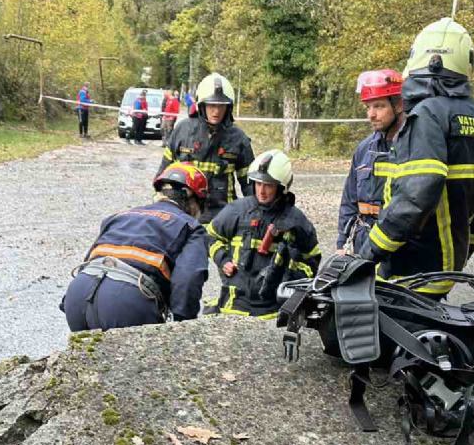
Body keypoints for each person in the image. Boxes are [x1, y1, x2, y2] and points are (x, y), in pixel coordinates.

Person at [357, 18, 474, 298]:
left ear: (426, 61)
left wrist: (367, 255)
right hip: (445, 269)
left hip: (411, 270)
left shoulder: (428, 115)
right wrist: (464, 246)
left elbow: (415, 196)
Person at [60, 162, 209, 330]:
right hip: (127, 300)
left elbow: (92, 258)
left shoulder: (119, 216)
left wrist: (68, 301)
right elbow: (188, 278)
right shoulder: (191, 227)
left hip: (78, 295)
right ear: (193, 198)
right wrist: (183, 324)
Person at [206, 150, 321, 318]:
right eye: (258, 183)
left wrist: (288, 277)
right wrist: (223, 260)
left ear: (281, 187)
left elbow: (312, 259)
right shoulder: (237, 210)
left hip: (274, 310)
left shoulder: (296, 220)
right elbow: (210, 237)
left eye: (268, 185)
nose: (262, 191)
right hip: (233, 305)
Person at [158, 73, 255, 224]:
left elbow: (250, 187)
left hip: (223, 218)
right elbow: (163, 176)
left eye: (221, 106)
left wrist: (255, 217)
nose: (216, 111)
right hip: (186, 214)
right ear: (201, 105)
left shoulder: (238, 138)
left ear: (228, 107)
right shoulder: (182, 131)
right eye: (212, 105)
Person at [337, 69, 406, 255]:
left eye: (379, 106)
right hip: (363, 243)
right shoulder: (364, 149)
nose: (371, 114)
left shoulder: (413, 148)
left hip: (399, 248)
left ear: (398, 104)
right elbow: (349, 201)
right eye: (368, 107)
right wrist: (342, 244)